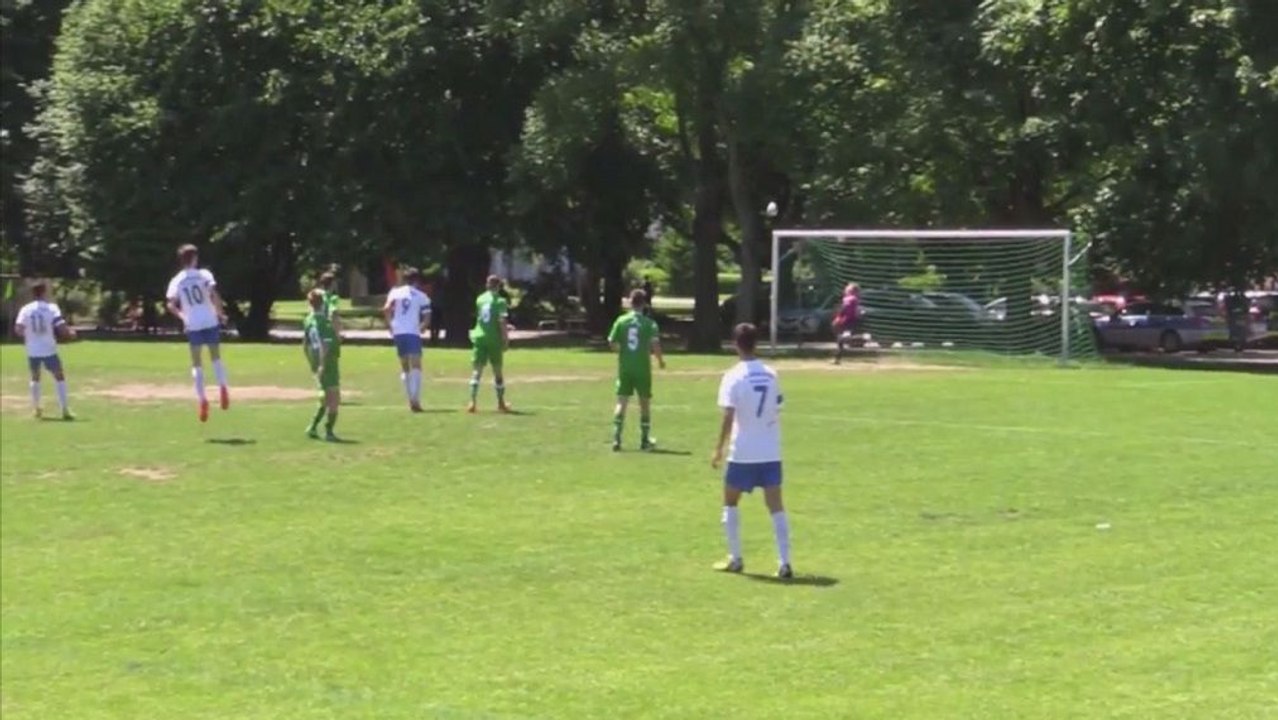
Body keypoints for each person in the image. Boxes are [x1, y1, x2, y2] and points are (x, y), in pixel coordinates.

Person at [711, 323, 791, 579]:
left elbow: (728, 414)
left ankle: (735, 558)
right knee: (776, 506)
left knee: (730, 501)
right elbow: (777, 408)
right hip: (770, 450)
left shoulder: (733, 376)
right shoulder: (771, 374)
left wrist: (718, 448)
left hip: (743, 451)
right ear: (757, 344)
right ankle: (785, 562)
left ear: (735, 344)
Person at [165, 244, 229, 422]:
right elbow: (214, 295)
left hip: (193, 323)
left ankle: (202, 400)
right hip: (209, 319)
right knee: (216, 357)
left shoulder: (177, 280)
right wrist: (220, 313)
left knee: (197, 363)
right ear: (194, 258)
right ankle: (222, 387)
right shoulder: (204, 275)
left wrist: (183, 317)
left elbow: (170, 303)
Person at [607, 289, 666, 451]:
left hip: (625, 366)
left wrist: (622, 352)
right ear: (644, 304)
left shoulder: (621, 321)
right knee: (644, 403)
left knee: (622, 401)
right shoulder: (649, 324)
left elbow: (612, 342)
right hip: (642, 368)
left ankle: (616, 439)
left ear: (630, 302)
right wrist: (660, 360)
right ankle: (644, 439)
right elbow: (655, 345)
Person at [14, 281, 76, 420]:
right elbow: (61, 328)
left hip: (32, 350)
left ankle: (37, 409)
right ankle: (64, 409)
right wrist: (70, 334)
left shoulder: (25, 309)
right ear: (44, 292)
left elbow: (18, 329)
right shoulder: (52, 308)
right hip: (49, 348)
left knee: (35, 377)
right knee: (59, 377)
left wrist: (30, 336)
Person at [382, 268, 432, 412]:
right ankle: (415, 399)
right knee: (416, 364)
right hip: (412, 331)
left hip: (399, 331)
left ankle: (410, 398)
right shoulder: (422, 296)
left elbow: (386, 309)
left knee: (405, 366)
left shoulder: (395, 292)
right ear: (417, 280)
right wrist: (422, 327)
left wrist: (390, 325)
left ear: (404, 279)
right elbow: (427, 316)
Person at [467, 275, 512, 413]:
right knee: (497, 371)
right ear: (499, 286)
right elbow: (501, 322)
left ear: (487, 285)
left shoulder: (480, 299)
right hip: (493, 338)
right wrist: (505, 338)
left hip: (479, 336)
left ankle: (472, 402)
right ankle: (500, 403)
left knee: (477, 371)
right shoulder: (500, 301)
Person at [302, 288, 342, 441]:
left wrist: (312, 362)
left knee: (325, 397)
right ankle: (328, 431)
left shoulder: (308, 319)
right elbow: (325, 345)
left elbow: (305, 344)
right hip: (328, 362)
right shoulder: (323, 322)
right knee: (333, 398)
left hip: (317, 360)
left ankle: (313, 427)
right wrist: (323, 365)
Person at [832, 282, 862, 364]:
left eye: (847, 288)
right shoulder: (854, 299)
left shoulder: (849, 298)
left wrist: (838, 317)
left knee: (842, 339)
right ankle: (837, 359)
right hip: (850, 321)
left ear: (851, 290)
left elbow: (844, 309)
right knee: (841, 340)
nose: (845, 290)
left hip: (847, 321)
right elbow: (855, 311)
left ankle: (860, 337)